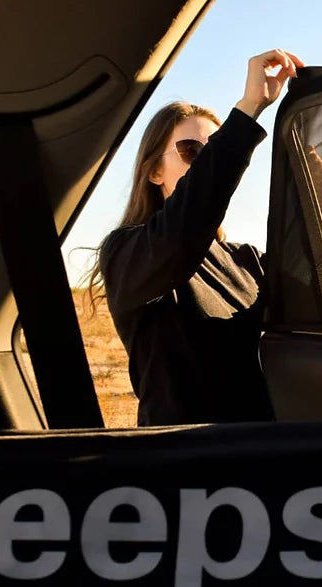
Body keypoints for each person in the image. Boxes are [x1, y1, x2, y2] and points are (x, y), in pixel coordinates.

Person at [85, 48, 304, 426]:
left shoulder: (247, 261)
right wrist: (248, 109)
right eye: (191, 151)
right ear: (154, 172)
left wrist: (320, 200)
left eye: (213, 151)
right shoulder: (126, 252)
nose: (205, 162)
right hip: (183, 456)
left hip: (259, 449)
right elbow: (183, 231)